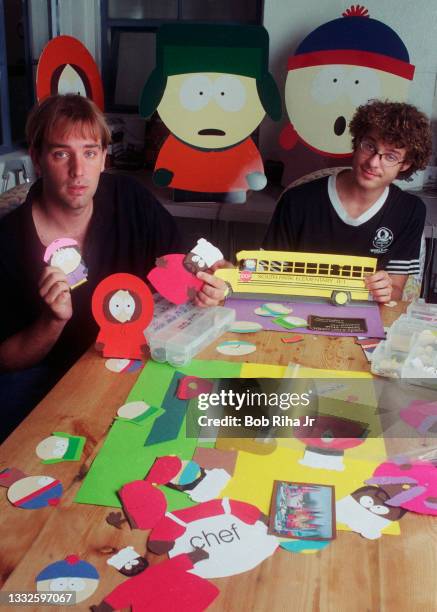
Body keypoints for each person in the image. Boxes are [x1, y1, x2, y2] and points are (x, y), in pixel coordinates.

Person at [0, 94, 226, 440]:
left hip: (135, 358)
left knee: (209, 424)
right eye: (62, 154)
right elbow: (7, 360)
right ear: (38, 159)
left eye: (89, 153)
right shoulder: (8, 240)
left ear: (104, 158)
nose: (79, 171)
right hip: (48, 376)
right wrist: (51, 321)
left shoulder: (129, 199)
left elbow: (186, 266)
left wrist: (212, 283)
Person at [263, 100, 432, 303]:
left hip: (365, 318)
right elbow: (266, 278)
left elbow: (395, 291)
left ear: (405, 164)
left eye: (390, 156)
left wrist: (384, 289)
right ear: (357, 141)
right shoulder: (297, 200)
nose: (373, 163)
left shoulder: (409, 210)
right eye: (369, 146)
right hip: (295, 313)